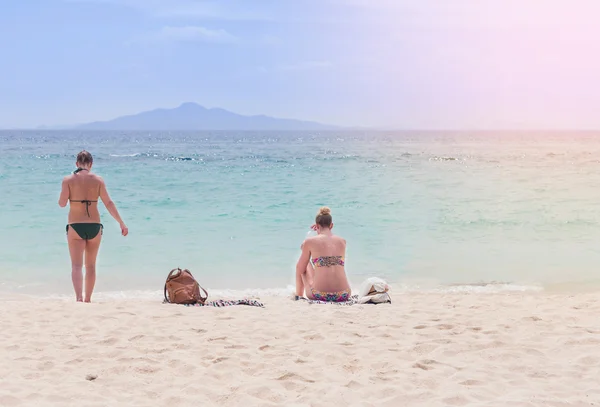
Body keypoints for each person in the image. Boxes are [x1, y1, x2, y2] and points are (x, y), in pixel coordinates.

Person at [58, 150, 128, 302]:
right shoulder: (98, 180)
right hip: (95, 227)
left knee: (76, 266)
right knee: (90, 266)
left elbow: (62, 204)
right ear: (90, 164)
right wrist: (121, 223)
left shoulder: (67, 180)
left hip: (75, 226)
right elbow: (109, 203)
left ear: (77, 164)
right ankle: (88, 299)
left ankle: (79, 298)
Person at [295, 207, 351, 302]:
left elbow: (300, 269)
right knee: (331, 264)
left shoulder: (309, 242)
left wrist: (304, 249)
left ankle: (298, 296)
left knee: (301, 265)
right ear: (331, 225)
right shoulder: (342, 241)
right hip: (344, 294)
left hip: (319, 294)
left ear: (316, 226)